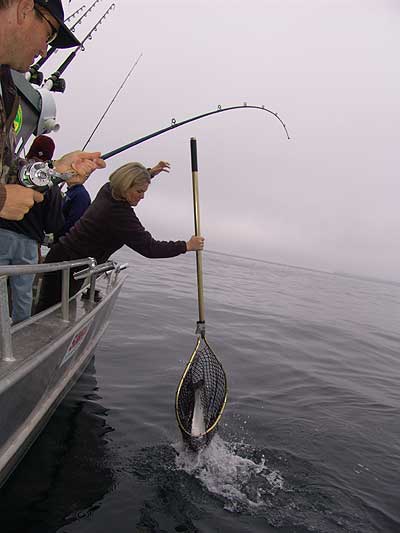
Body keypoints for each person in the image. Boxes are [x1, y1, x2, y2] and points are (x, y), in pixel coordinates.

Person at [36, 161, 205, 312]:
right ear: (126, 187)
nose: (142, 196)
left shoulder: (108, 189)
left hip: (62, 258)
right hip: (68, 268)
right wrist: (186, 246)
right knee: (47, 313)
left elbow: (126, 178)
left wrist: (150, 173)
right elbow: (150, 248)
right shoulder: (119, 215)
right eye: (139, 191)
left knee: (49, 308)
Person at [0, 0, 105, 222]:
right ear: (25, 8)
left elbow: (6, 167)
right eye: (48, 34)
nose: (43, 49)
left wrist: (55, 169)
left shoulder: (6, 87)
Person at [0, 134, 64, 323]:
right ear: (50, 158)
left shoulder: (10, 170)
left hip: (1, 236)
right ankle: (19, 333)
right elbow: (53, 225)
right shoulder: (50, 184)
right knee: (23, 291)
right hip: (28, 245)